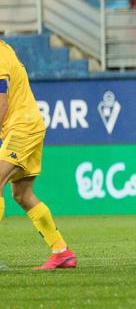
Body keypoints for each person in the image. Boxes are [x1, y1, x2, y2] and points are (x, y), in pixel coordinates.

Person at [0, 40, 76, 270]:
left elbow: (1, 102)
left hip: (22, 127)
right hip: (26, 125)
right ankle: (62, 252)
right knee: (22, 194)